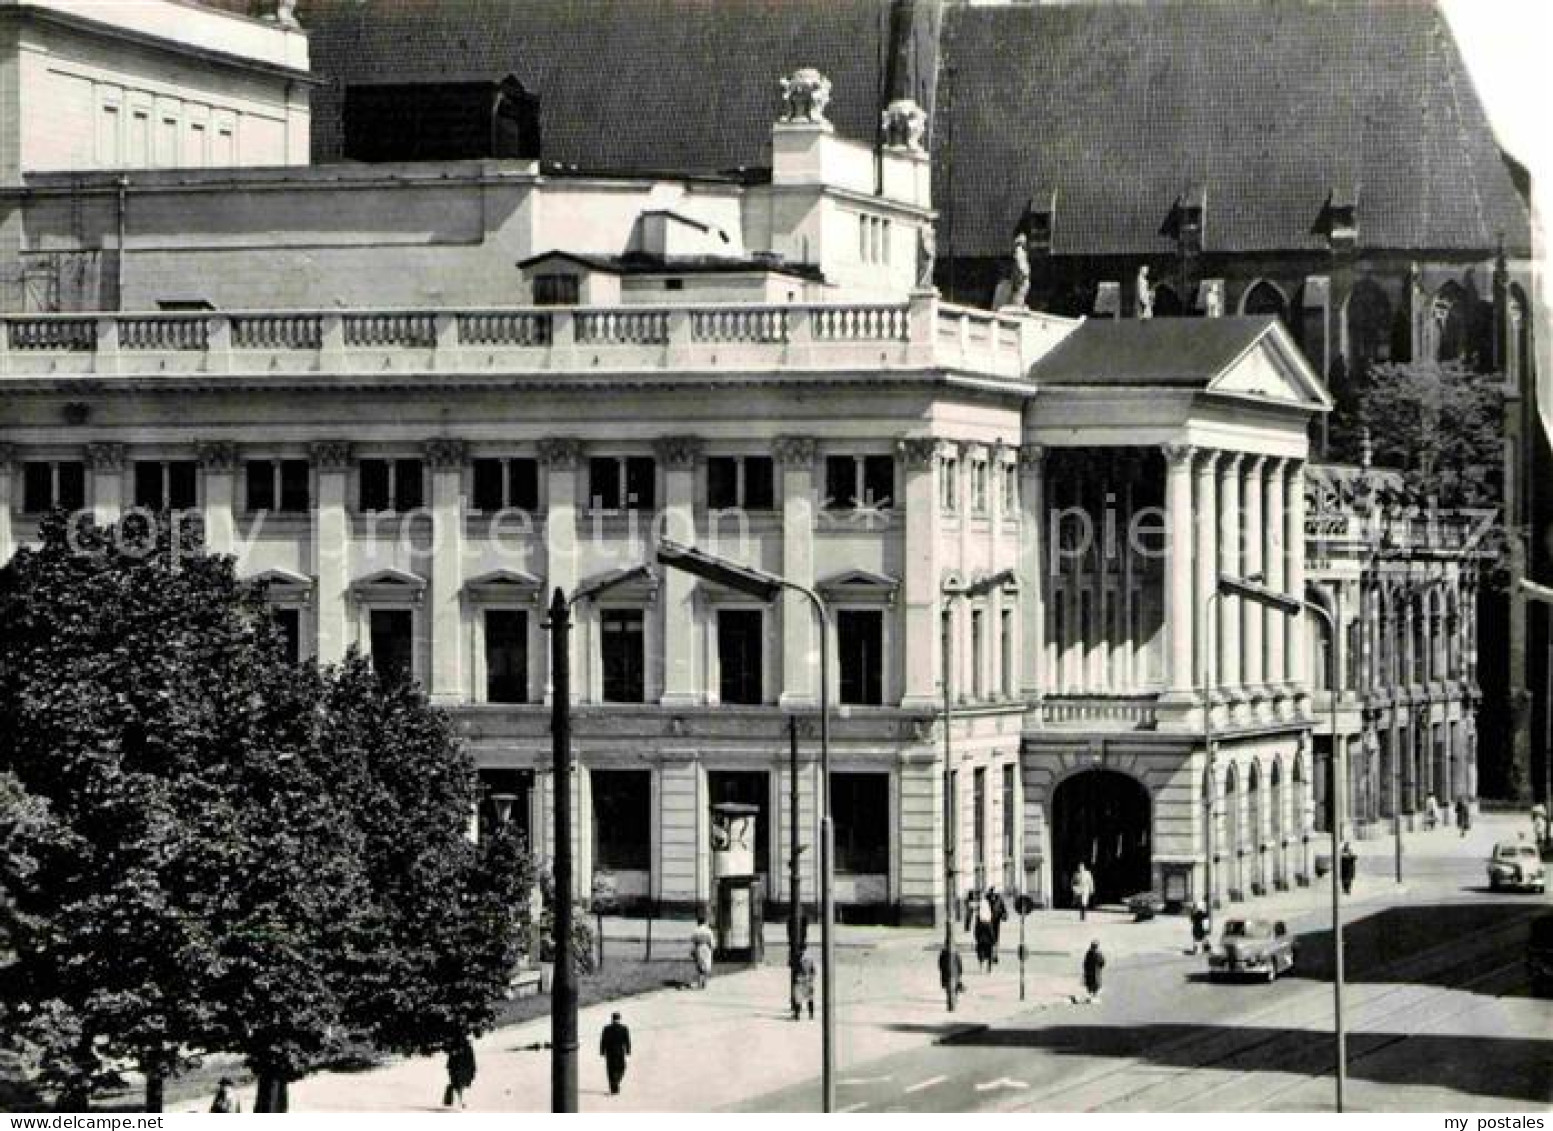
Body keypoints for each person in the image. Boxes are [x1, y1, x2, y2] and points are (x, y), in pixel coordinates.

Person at [599, 1012, 632, 1096]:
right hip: (620, 1052)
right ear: (619, 1019)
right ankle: (616, 1084)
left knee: (610, 1070)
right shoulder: (624, 1028)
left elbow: (603, 1040)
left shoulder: (606, 1028)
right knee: (622, 1067)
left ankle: (614, 1087)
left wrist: (602, 1051)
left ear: (612, 1019)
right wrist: (628, 1050)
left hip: (609, 1052)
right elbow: (627, 1040)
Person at [443, 1037, 476, 1109]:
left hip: (463, 1069)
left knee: (459, 1086)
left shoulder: (467, 1048)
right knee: (458, 1085)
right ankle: (460, 1102)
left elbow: (472, 1060)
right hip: (457, 1069)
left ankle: (460, 1102)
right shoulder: (457, 1046)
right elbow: (446, 1049)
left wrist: (473, 1070)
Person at [689, 915, 716, 990]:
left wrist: (693, 950)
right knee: (706, 965)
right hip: (706, 948)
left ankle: (699, 982)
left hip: (698, 948)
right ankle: (704, 982)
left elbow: (693, 940)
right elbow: (711, 941)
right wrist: (712, 947)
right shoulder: (708, 930)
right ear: (704, 922)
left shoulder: (696, 930)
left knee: (699, 966)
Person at [791, 945, 816, 1021]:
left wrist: (796, 979)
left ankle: (797, 1015)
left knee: (798, 998)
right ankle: (811, 1014)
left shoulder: (797, 959)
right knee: (809, 998)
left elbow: (795, 970)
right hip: (808, 981)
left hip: (800, 981)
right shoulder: (810, 959)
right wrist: (811, 978)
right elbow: (813, 971)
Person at [986, 886, 1009, 965]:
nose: (993, 895)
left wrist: (1004, 915)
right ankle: (989, 954)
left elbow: (1004, 909)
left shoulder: (999, 899)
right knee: (989, 938)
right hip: (987, 922)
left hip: (996, 922)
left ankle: (995, 955)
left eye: (994, 893)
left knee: (995, 939)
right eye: (991, 893)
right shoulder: (986, 899)